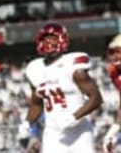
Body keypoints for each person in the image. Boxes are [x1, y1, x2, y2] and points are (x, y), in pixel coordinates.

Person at [24, 23, 102, 153]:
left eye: (53, 38)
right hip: (53, 133)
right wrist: (27, 123)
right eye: (45, 38)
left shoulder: (73, 65)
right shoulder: (34, 69)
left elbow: (96, 98)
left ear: (62, 39)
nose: (48, 42)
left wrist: (73, 117)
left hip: (79, 130)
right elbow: (37, 104)